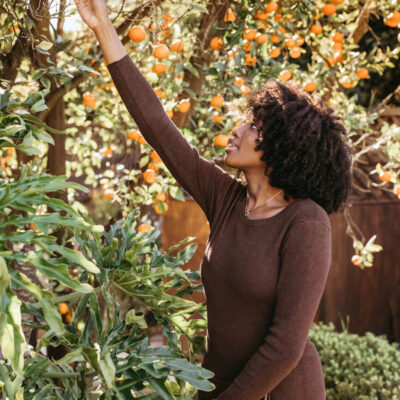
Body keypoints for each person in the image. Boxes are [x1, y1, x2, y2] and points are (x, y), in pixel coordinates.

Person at [73, 1, 352, 399]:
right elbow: (158, 128)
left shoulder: (305, 222)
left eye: (254, 126)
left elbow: (286, 346)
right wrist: (103, 28)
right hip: (217, 384)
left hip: (283, 390)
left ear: (285, 148)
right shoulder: (225, 199)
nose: (236, 130)